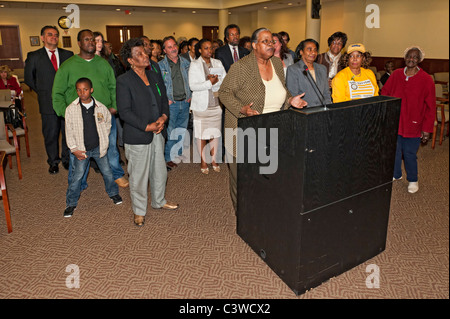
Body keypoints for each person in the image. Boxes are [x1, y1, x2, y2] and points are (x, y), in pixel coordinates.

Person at [218, 27, 308, 212]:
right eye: (265, 41)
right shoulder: (240, 67)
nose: (271, 44)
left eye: (272, 41)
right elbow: (224, 93)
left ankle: (262, 213)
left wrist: (291, 100)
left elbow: (282, 90)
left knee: (267, 174)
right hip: (242, 130)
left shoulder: (276, 64)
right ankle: (243, 214)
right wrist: (241, 109)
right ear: (254, 45)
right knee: (243, 177)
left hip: (272, 130)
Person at [52, 29, 129, 189]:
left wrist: (115, 106)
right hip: (79, 118)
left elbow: (112, 86)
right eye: (87, 40)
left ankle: (117, 174)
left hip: (104, 115)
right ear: (79, 43)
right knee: (79, 152)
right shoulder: (68, 66)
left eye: (93, 40)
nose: (91, 42)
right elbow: (57, 93)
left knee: (111, 148)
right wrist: (65, 113)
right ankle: (78, 182)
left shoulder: (103, 64)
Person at [117, 38, 179, 227]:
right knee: (138, 175)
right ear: (130, 60)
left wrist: (163, 118)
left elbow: (163, 101)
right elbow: (124, 111)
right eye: (140, 54)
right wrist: (146, 126)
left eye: (145, 52)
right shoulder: (124, 81)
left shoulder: (154, 75)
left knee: (159, 170)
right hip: (138, 135)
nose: (146, 56)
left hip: (158, 131)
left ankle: (159, 200)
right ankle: (139, 210)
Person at [63, 77, 122, 218]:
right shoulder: (71, 109)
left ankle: (113, 193)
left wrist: (104, 137)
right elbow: (68, 131)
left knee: (107, 172)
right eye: (79, 90)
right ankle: (71, 203)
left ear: (91, 90)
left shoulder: (101, 107)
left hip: (98, 148)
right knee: (77, 176)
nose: (82, 92)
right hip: (81, 150)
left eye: (85, 89)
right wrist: (74, 148)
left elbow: (108, 122)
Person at [381, 46, 435, 194]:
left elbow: (431, 106)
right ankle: (396, 174)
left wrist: (427, 128)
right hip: (395, 122)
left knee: (410, 153)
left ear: (420, 60)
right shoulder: (396, 74)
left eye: (415, 57)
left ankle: (413, 179)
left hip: (414, 124)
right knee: (395, 151)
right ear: (404, 58)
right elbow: (384, 93)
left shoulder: (426, 79)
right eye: (409, 56)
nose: (411, 59)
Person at [24, 25, 74, 174]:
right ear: (42, 38)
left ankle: (66, 159)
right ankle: (53, 161)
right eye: (50, 34)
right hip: (47, 101)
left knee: (68, 132)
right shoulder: (34, 56)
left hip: (66, 102)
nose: (54, 37)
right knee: (51, 133)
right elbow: (28, 78)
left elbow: (73, 76)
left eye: (56, 35)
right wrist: (43, 91)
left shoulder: (68, 54)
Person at [189, 39, 226, 174]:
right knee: (201, 135)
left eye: (211, 48)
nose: (209, 51)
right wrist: (209, 83)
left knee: (215, 135)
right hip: (201, 107)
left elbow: (223, 81)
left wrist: (215, 83)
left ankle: (214, 160)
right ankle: (203, 161)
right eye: (206, 48)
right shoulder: (194, 65)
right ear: (200, 50)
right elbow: (193, 86)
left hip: (216, 105)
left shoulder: (218, 63)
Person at [158, 36, 192, 169]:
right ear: (164, 50)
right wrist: (166, 99)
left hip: (185, 102)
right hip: (171, 104)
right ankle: (168, 157)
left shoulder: (186, 63)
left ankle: (177, 154)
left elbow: (191, 80)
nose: (173, 49)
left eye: (174, 46)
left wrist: (190, 96)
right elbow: (159, 85)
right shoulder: (161, 66)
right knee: (171, 131)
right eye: (169, 47)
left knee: (181, 131)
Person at [286, 39, 332, 107]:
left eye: (315, 50)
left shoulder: (322, 69)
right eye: (309, 49)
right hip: (303, 111)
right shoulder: (293, 69)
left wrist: (328, 108)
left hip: (321, 111)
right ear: (301, 52)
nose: (313, 52)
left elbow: (326, 93)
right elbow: (292, 94)